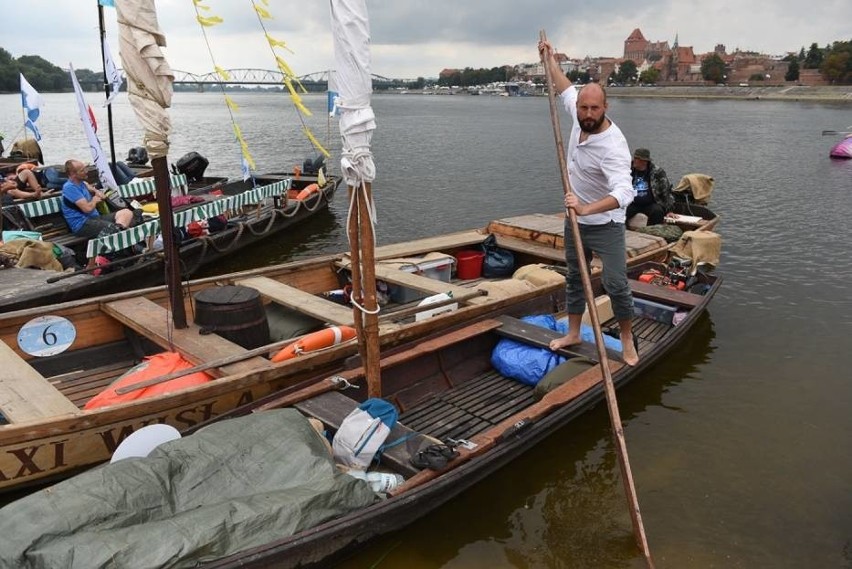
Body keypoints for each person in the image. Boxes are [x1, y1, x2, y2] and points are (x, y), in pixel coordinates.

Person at [538, 39, 639, 366]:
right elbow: (564, 86)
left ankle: (626, 340)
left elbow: (625, 193)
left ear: (605, 107)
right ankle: (574, 332)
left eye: (595, 109)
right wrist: (549, 58)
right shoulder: (577, 112)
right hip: (576, 222)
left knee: (614, 283)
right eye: (584, 108)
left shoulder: (613, 147)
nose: (588, 114)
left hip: (606, 224)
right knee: (575, 277)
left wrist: (585, 208)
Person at [60, 159, 134, 238]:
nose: (86, 171)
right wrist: (94, 200)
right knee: (112, 227)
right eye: (82, 170)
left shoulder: (82, 183)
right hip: (82, 224)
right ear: (73, 174)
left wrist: (95, 191)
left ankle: (118, 233)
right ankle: (119, 236)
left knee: (126, 213)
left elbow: (99, 194)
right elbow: (87, 209)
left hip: (96, 218)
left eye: (85, 168)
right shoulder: (69, 187)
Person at [626, 147, 674, 226]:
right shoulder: (628, 169)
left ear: (644, 161)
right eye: (634, 157)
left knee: (657, 211)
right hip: (631, 203)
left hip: (650, 203)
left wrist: (669, 210)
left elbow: (666, 191)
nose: (634, 160)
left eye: (637, 158)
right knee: (619, 212)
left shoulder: (657, 172)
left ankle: (652, 231)